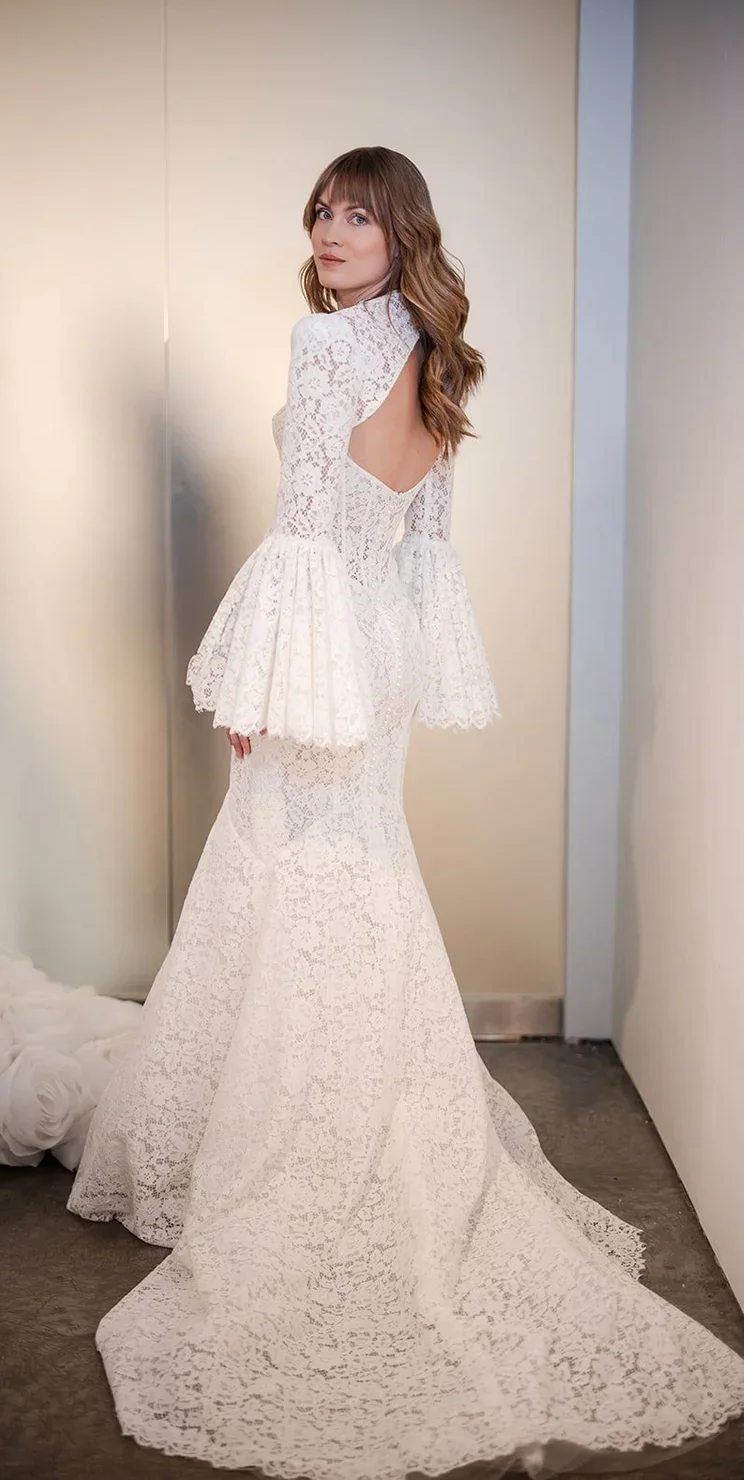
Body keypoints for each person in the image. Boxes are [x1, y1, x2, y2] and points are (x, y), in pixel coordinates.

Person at [68, 146, 744, 1479]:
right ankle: (380, 1112)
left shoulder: (323, 352)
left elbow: (306, 524)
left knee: (298, 867)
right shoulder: (441, 356)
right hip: (377, 653)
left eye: (357, 211)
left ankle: (318, 1144)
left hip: (322, 640)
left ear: (400, 230)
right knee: (350, 866)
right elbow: (427, 541)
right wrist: (382, 672)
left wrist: (261, 679)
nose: (329, 229)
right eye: (321, 209)